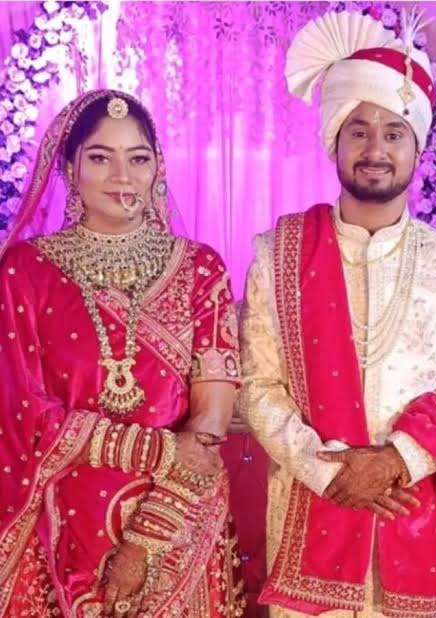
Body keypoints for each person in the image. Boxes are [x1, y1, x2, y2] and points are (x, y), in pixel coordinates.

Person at [238, 9, 436, 618]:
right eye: (358, 130)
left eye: (394, 133)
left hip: (418, 516)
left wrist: (396, 462)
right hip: (312, 514)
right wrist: (330, 473)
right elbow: (257, 386)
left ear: (417, 147)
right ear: (334, 139)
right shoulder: (277, 254)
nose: (376, 149)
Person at [0, 89, 246, 617]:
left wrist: (147, 537)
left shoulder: (200, 268)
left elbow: (210, 423)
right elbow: (21, 413)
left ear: (158, 168)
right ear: (70, 168)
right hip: (61, 528)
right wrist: (156, 450)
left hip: (180, 520)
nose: (122, 176)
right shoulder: (25, 270)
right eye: (100, 158)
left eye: (138, 158)